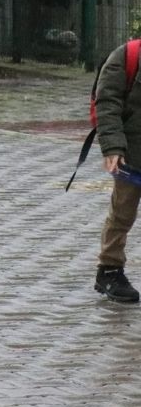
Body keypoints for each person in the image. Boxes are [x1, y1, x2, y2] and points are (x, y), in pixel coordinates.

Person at [92, 44, 141, 303]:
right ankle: (109, 270)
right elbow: (107, 103)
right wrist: (112, 147)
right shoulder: (126, 56)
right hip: (131, 155)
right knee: (122, 213)